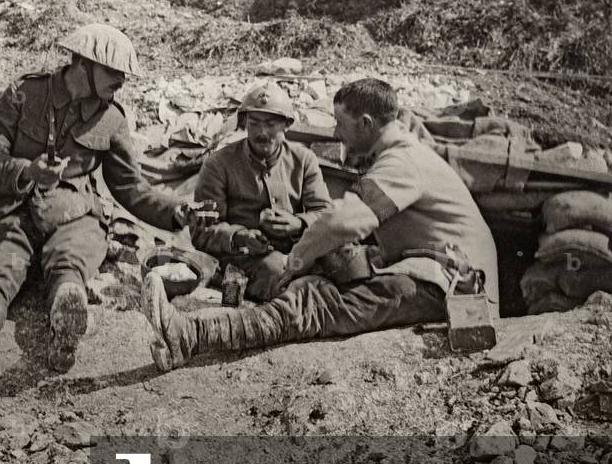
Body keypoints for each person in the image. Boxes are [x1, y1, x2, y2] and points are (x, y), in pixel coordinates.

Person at [143, 77, 500, 371]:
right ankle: (193, 326)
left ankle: (191, 335)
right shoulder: (220, 164)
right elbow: (205, 228)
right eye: (255, 122)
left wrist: (297, 249)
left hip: (453, 286)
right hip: (437, 273)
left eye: (341, 124)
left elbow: (340, 221)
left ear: (365, 124)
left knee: (316, 307)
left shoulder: (396, 161)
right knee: (309, 287)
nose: (337, 133)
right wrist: (243, 239)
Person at [0, 23, 198, 381]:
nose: (121, 83)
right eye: (114, 72)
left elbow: (130, 187)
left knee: (69, 265)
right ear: (84, 64)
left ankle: (64, 332)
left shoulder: (111, 119)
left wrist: (176, 212)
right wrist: (28, 171)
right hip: (14, 210)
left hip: (75, 214)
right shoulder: (24, 93)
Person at [191, 83, 332, 300]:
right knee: (276, 271)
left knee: (344, 258)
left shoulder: (303, 160)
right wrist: (239, 237)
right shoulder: (218, 164)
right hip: (243, 258)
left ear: (286, 124)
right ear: (245, 123)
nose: (262, 133)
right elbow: (201, 230)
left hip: (298, 252)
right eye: (254, 123)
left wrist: (299, 223)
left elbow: (325, 212)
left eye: (270, 124)